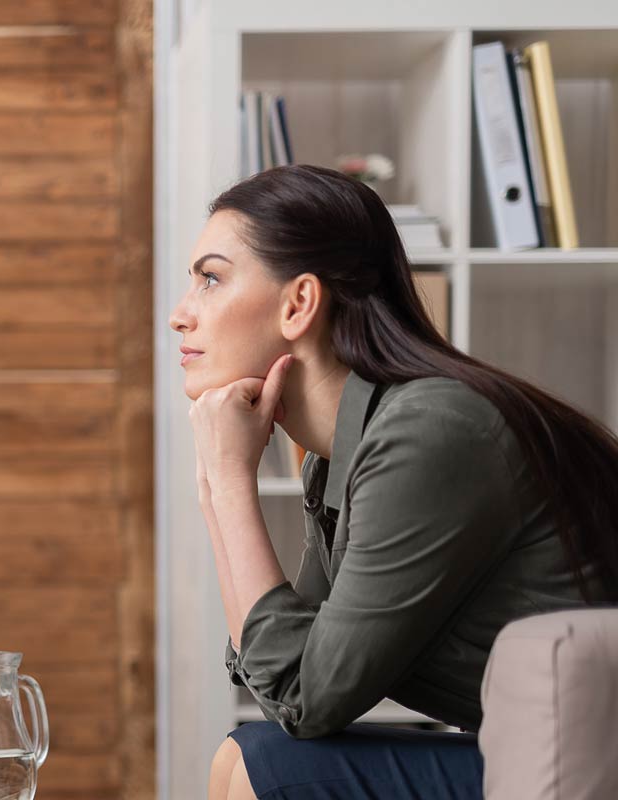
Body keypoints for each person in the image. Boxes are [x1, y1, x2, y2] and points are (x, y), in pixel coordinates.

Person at [170, 164, 618, 800]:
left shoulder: (429, 431)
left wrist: (228, 479)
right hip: (537, 753)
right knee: (251, 754)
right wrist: (217, 490)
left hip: (595, 767)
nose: (179, 316)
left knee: (258, 770)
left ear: (298, 303)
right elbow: (287, 689)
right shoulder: (336, 459)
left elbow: (306, 698)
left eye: (210, 279)